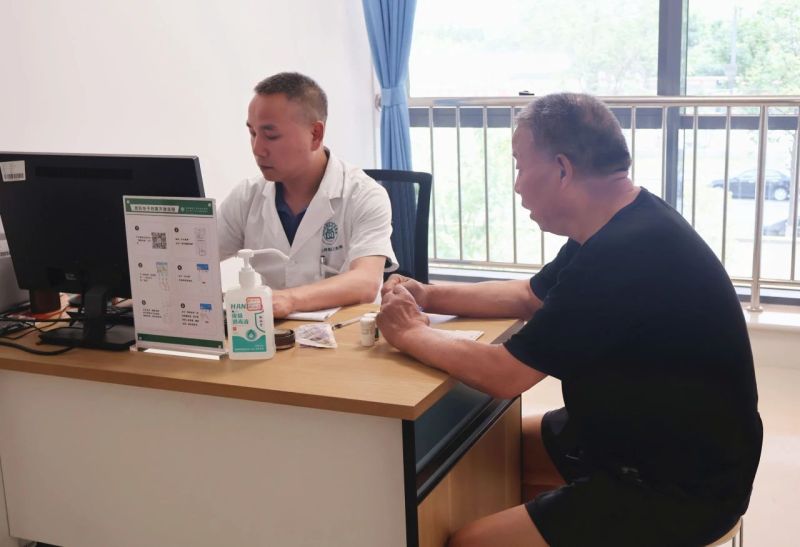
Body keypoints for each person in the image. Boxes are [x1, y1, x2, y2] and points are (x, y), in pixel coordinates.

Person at [377, 93, 762, 547]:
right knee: (492, 450)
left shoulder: (624, 253)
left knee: (469, 542)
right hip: (639, 438)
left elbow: (505, 374)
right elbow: (527, 296)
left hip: (677, 486)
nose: (517, 185)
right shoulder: (623, 221)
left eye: (520, 165)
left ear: (562, 169)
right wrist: (427, 294)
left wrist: (409, 332)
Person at [218, 72, 396, 317]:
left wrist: (288, 299)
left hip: (345, 333)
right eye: (253, 133)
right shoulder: (247, 197)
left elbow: (365, 282)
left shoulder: (364, 195)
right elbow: (193, 256)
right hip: (274, 333)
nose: (258, 149)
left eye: (271, 136)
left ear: (315, 134)